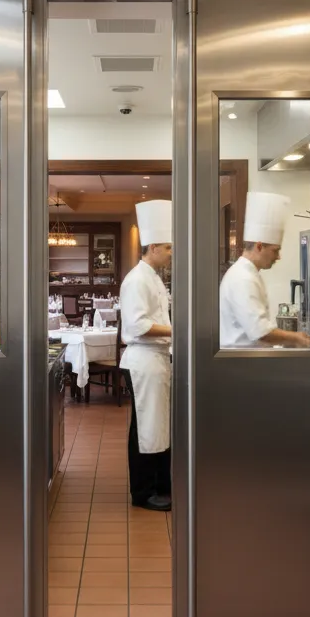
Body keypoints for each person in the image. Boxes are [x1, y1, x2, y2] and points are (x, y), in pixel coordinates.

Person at [119, 199, 172, 512]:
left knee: (157, 424)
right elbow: (138, 325)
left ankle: (159, 485)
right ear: (153, 247)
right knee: (145, 427)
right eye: (167, 247)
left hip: (155, 360)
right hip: (143, 360)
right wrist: (176, 331)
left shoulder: (153, 276)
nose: (170, 252)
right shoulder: (137, 279)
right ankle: (142, 493)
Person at [220, 191, 310, 349]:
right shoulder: (243, 278)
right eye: (275, 250)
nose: (278, 257)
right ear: (259, 246)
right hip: (242, 364)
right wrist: (296, 338)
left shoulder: (248, 273)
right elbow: (260, 333)